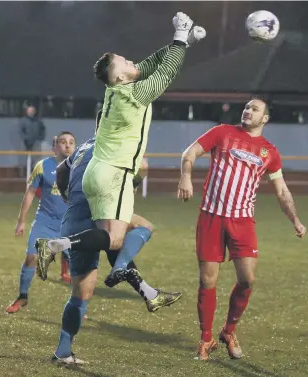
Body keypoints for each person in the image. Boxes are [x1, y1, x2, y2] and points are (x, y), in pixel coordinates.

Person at [35, 13, 206, 285]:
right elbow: (166, 72)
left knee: (117, 237)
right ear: (118, 75)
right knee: (114, 239)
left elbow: (149, 65)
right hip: (114, 175)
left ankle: (113, 268)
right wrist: (179, 38)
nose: (130, 62)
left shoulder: (116, 89)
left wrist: (184, 43)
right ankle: (55, 245)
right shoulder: (133, 94)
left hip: (101, 171)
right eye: (124, 62)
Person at [177, 97, 307, 361]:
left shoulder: (269, 151)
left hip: (242, 221)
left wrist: (295, 219)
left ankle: (228, 331)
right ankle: (205, 339)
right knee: (207, 280)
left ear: (265, 119)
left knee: (247, 279)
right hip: (211, 216)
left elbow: (281, 190)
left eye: (255, 109)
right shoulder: (222, 132)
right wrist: (186, 177)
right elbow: (189, 153)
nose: (248, 111)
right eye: (247, 107)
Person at [48, 120, 182, 365]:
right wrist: (133, 182)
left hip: (72, 217)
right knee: (142, 228)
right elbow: (140, 169)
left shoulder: (83, 147)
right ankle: (126, 275)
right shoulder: (116, 145)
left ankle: (63, 352)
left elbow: (59, 170)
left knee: (81, 294)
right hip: (98, 213)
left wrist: (67, 196)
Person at [5, 132, 76, 314]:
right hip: (45, 221)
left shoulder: (80, 167)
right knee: (31, 258)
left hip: (69, 224)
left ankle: (77, 307)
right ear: (55, 147)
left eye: (71, 142)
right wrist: (21, 221)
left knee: (79, 268)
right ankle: (22, 296)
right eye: (63, 142)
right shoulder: (43, 166)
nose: (67, 145)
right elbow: (30, 193)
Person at [34, 136, 70, 282]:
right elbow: (35, 188)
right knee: (52, 240)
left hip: (67, 210)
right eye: (59, 144)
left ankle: (65, 273)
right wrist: (46, 198)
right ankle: (42, 261)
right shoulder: (45, 166)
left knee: (67, 241)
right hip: (49, 213)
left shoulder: (72, 165)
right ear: (54, 148)